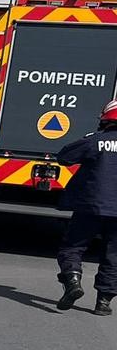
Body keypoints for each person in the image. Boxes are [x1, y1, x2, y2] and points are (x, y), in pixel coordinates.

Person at [53, 97, 117, 315]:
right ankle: (103, 303)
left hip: (90, 206)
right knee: (113, 255)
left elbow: (64, 157)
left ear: (105, 120)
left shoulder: (95, 141)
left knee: (73, 247)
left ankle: (72, 281)